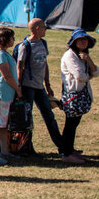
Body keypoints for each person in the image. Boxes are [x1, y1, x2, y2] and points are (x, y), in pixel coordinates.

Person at [17, 18, 63, 155]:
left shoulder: (43, 43)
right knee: (26, 118)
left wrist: (47, 84)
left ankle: (62, 147)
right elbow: (20, 66)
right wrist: (19, 87)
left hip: (40, 87)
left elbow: (45, 64)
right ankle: (26, 147)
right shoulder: (24, 46)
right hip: (27, 86)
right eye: (44, 27)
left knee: (49, 116)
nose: (45, 29)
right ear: (37, 29)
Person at [60, 28, 99, 165]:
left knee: (74, 124)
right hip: (73, 95)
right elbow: (80, 76)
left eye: (85, 40)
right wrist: (90, 76)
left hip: (81, 94)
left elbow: (97, 72)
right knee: (70, 124)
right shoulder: (70, 56)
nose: (83, 42)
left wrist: (89, 60)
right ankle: (66, 153)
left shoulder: (83, 55)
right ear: (74, 42)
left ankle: (69, 150)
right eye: (80, 40)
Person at [0, 27, 22, 165]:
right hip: (0, 95)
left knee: (3, 125)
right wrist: (18, 89)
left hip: (7, 94)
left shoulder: (4, 53)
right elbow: (6, 75)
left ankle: (5, 152)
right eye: (12, 38)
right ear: (5, 39)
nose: (14, 40)